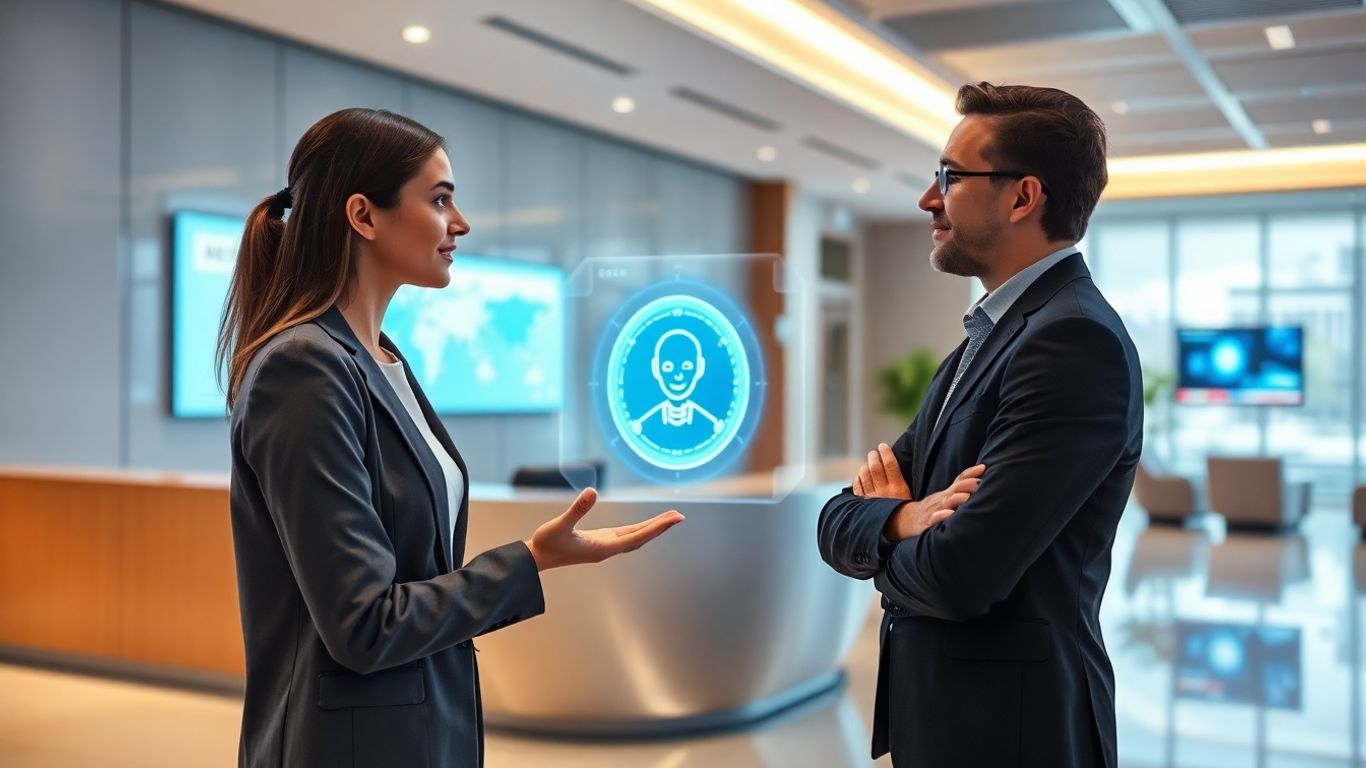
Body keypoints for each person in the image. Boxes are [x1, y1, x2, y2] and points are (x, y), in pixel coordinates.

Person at [220, 107, 684, 768]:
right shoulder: (304, 368)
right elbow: (364, 624)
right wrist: (530, 560)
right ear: (364, 215)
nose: (459, 224)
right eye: (440, 201)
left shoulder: (380, 357)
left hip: (419, 729)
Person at [817, 83, 1142, 767]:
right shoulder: (981, 343)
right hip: (949, 719)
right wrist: (904, 520)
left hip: (1014, 733)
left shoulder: (1074, 343)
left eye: (949, 178)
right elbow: (834, 520)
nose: (927, 200)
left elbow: (960, 577)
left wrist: (884, 525)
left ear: (1023, 197)